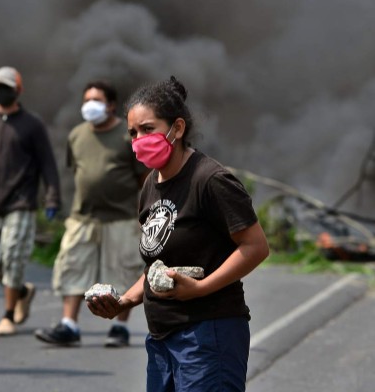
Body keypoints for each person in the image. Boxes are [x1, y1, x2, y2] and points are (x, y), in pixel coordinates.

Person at [87, 76, 269, 391]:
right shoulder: (149, 187)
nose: (139, 139)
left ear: (178, 128)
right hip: (161, 339)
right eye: (132, 133)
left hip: (208, 336)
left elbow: (255, 247)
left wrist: (201, 289)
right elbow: (159, 264)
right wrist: (124, 300)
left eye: (148, 129)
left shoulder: (210, 180)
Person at [34, 80, 149, 347]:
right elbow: (79, 172)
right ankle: (69, 325)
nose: (89, 106)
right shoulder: (77, 135)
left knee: (124, 271)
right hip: (83, 218)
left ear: (110, 105)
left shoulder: (127, 136)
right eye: (86, 100)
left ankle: (119, 328)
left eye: (96, 100)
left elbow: (143, 178)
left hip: (121, 218)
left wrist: (143, 213)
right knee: (73, 267)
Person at [0, 66, 61, 336]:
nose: (1, 92)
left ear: (18, 90)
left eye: (7, 87)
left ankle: (8, 315)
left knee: (12, 257)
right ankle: (23, 291)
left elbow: (48, 163)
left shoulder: (32, 125)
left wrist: (52, 197)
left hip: (20, 203)